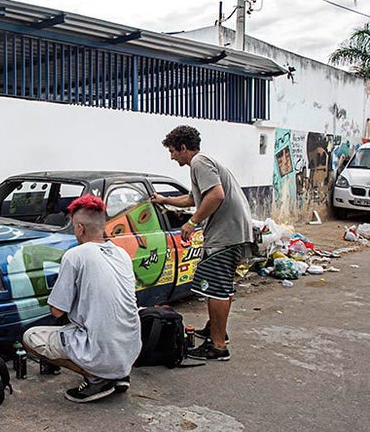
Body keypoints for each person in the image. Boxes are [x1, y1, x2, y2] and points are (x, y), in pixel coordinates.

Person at [22, 195, 141, 403]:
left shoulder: (76, 255)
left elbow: (56, 310)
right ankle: (117, 373)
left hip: (102, 351)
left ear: (79, 228)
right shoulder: (121, 253)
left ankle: (98, 378)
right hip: (130, 349)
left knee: (31, 337)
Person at [151, 125, 253, 361]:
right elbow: (192, 198)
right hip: (232, 233)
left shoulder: (199, 162)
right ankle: (216, 331)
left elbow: (216, 195)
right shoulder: (203, 164)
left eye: (173, 151)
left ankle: (217, 346)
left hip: (225, 235)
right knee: (222, 286)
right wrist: (164, 199)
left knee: (215, 288)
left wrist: (192, 223)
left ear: (183, 147)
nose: (172, 156)